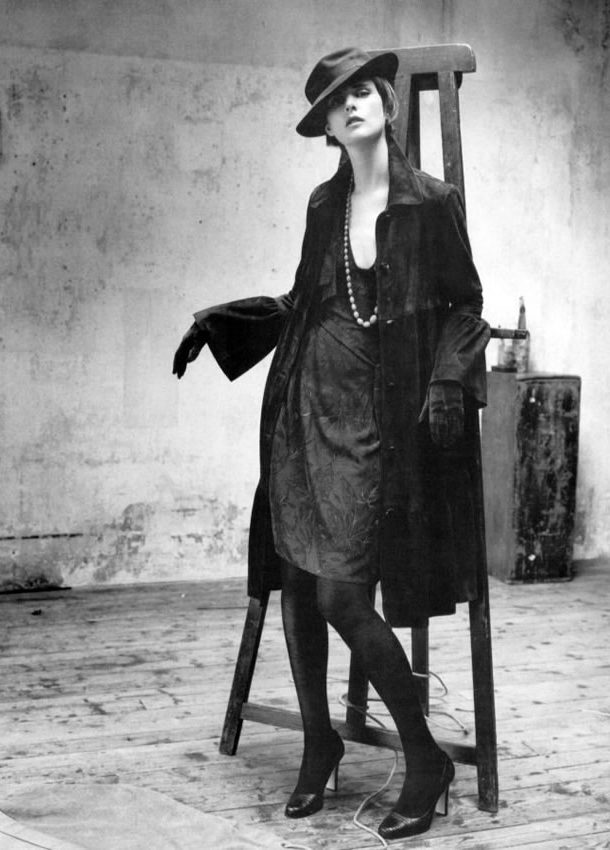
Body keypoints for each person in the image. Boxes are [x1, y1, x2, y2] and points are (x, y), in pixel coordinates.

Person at [173, 46, 490, 840]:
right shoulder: (324, 203)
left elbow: (466, 305)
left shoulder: (431, 203)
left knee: (343, 597)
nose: (352, 105)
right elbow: (301, 299)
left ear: (386, 102)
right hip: (302, 412)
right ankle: (319, 740)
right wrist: (221, 324)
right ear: (327, 129)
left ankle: (425, 758)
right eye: (336, 103)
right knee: (297, 578)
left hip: (375, 425)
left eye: (363, 91)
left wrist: (448, 382)